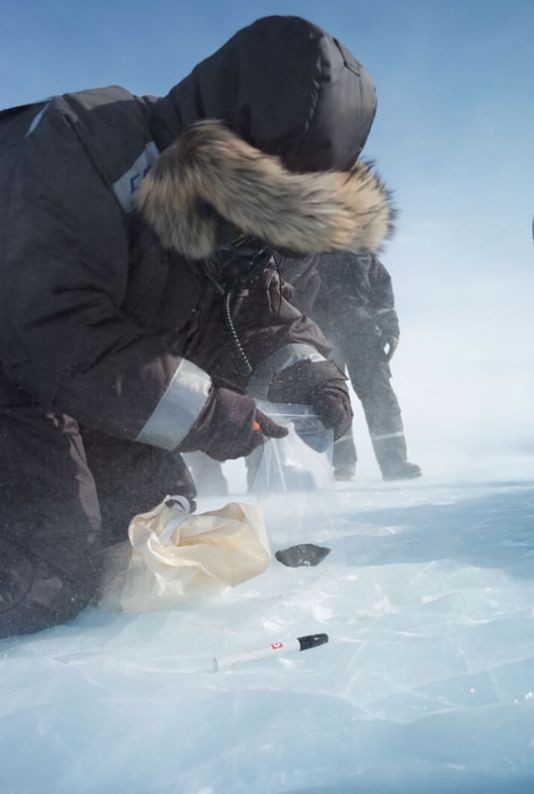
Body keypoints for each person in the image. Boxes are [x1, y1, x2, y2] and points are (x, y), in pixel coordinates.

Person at [0, 15, 393, 637]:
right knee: (43, 572)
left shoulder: (250, 231)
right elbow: (52, 327)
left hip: (84, 384)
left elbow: (250, 318)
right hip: (17, 367)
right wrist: (212, 415)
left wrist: (306, 374)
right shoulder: (85, 149)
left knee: (156, 522)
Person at [282, 251, 422, 481]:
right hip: (321, 336)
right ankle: (341, 466)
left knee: (378, 396)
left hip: (364, 335)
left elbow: (381, 288)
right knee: (331, 400)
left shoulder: (361, 251)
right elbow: (291, 293)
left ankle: (394, 463)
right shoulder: (304, 253)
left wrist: (390, 328)